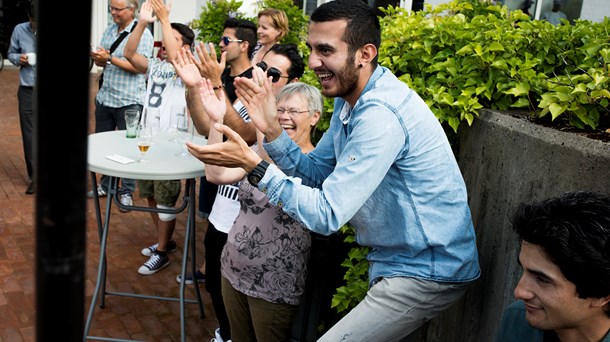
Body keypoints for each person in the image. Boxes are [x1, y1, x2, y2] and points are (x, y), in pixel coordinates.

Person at [186, 0, 481, 340]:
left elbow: (327, 214)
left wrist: (255, 165)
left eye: (325, 50)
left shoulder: (379, 114)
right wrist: (272, 132)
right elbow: (314, 173)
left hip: (429, 268)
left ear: (364, 54)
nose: (313, 62)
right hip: (395, 261)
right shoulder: (349, 97)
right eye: (311, 48)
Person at [201, 78, 320, 342]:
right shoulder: (256, 152)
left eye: (294, 111)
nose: (285, 117)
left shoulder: (314, 166)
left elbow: (271, 169)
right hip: (232, 269)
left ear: (314, 118)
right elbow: (215, 172)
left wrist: (259, 127)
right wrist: (215, 120)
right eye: (280, 110)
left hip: (273, 284)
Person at [173, 17, 258, 342]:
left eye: (226, 41)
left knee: (238, 290)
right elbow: (203, 123)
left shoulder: (261, 97)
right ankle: (226, 332)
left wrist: (216, 88)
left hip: (248, 216)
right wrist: (194, 85)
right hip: (223, 203)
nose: (221, 46)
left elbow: (245, 133)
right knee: (214, 283)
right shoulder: (227, 81)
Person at [122, 0, 194, 275]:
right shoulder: (155, 64)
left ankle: (162, 252)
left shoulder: (187, 66)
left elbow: (176, 58)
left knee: (165, 201)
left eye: (171, 39)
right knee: (151, 195)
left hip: (170, 146)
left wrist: (165, 19)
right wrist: (142, 22)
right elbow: (130, 53)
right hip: (148, 141)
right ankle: (166, 241)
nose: (164, 42)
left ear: (184, 46)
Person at [495, 191, 610, 342]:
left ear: (601, 296)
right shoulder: (517, 320)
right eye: (523, 269)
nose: (519, 292)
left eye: (543, 280)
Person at [89, 0, 154, 208]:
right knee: (105, 145)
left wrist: (109, 58)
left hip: (129, 101)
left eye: (117, 9)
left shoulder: (142, 33)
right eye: (111, 8)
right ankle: (106, 186)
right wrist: (99, 58)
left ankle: (126, 191)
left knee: (129, 147)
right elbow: (103, 61)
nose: (113, 13)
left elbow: (140, 68)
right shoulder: (110, 29)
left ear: (131, 9)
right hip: (105, 97)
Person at [7, 1, 36, 195]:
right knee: (30, 135)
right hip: (28, 89)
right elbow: (10, 53)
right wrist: (19, 59)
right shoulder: (20, 30)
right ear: (29, 17)